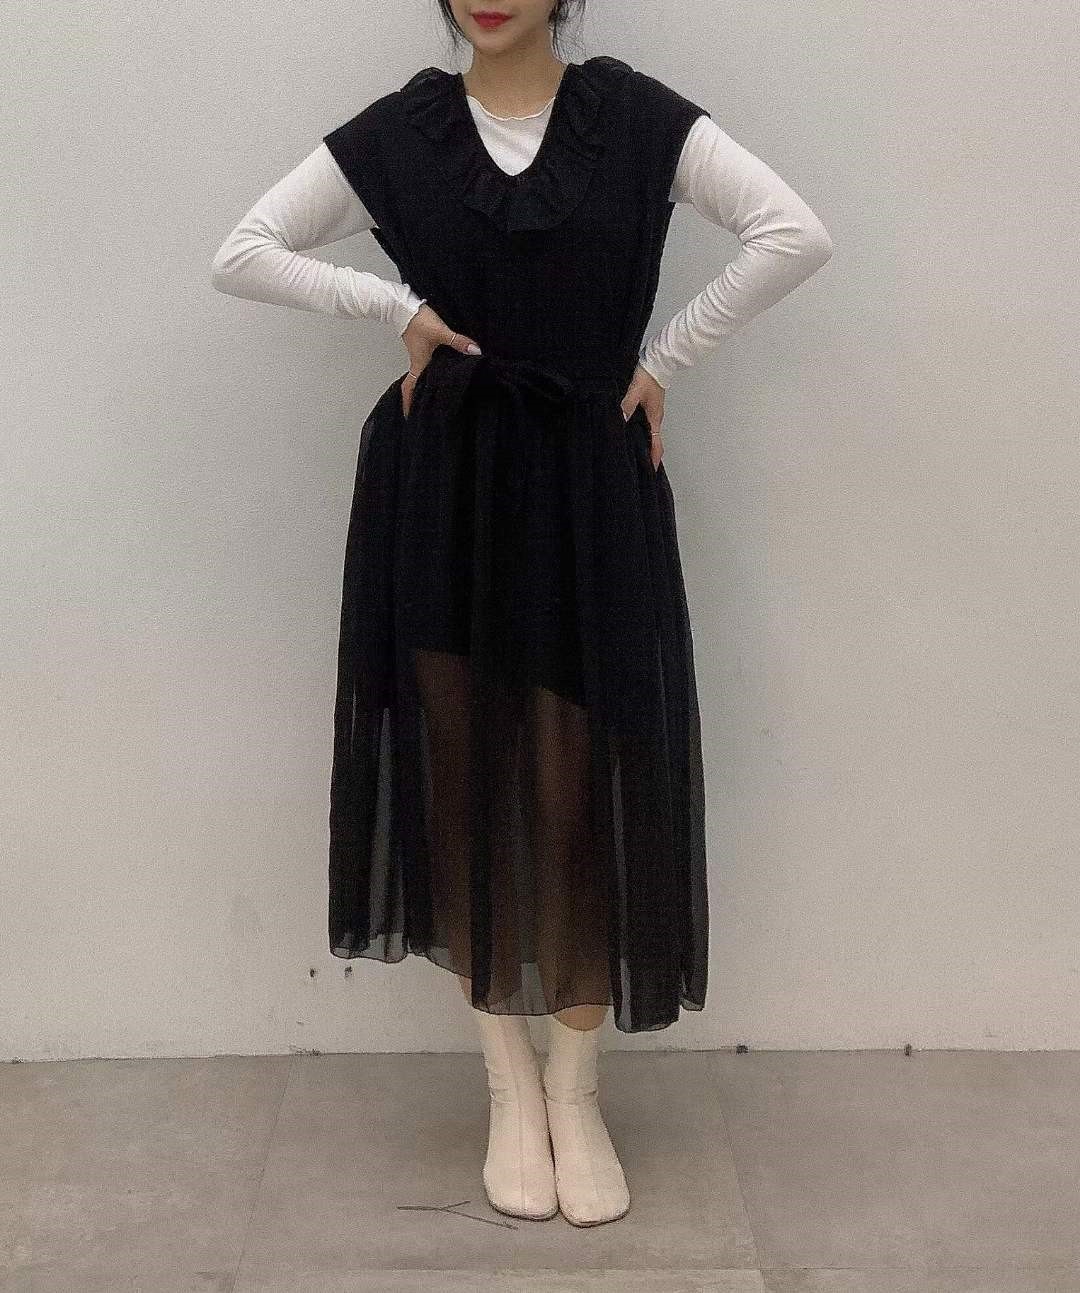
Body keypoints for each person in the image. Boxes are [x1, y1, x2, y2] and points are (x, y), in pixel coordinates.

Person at [211, 0, 832, 1228]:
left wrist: (662, 363)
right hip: (444, 485)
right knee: (465, 778)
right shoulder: (403, 135)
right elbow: (244, 250)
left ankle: (576, 1089)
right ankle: (508, 1088)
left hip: (588, 491)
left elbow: (794, 232)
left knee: (578, 786)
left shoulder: (635, 121)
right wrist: (391, 310)